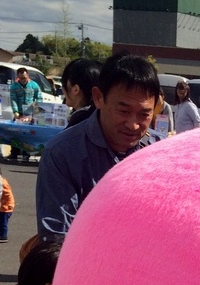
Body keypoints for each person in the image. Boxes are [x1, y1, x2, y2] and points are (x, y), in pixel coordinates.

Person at [36, 52, 161, 240]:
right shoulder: (62, 154)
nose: (133, 125)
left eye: (144, 114)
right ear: (98, 98)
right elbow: (56, 239)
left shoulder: (161, 151)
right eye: (123, 111)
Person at [9, 67, 42, 160]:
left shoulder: (34, 85)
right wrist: (15, 111)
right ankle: (14, 152)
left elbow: (39, 98)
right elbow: (13, 99)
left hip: (30, 113)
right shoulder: (14, 86)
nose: (23, 80)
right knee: (15, 133)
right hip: (19, 113)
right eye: (21, 78)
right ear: (18, 77)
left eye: (24, 78)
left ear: (28, 75)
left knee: (28, 134)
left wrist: (36, 109)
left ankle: (26, 152)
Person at [61, 57, 102, 127]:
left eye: (64, 83)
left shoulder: (79, 124)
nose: (62, 89)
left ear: (76, 89)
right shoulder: (99, 118)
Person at [0, 169, 15, 242]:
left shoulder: (2, 183)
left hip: (6, 208)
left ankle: (3, 236)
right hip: (4, 207)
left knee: (3, 222)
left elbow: (5, 194)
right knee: (1, 221)